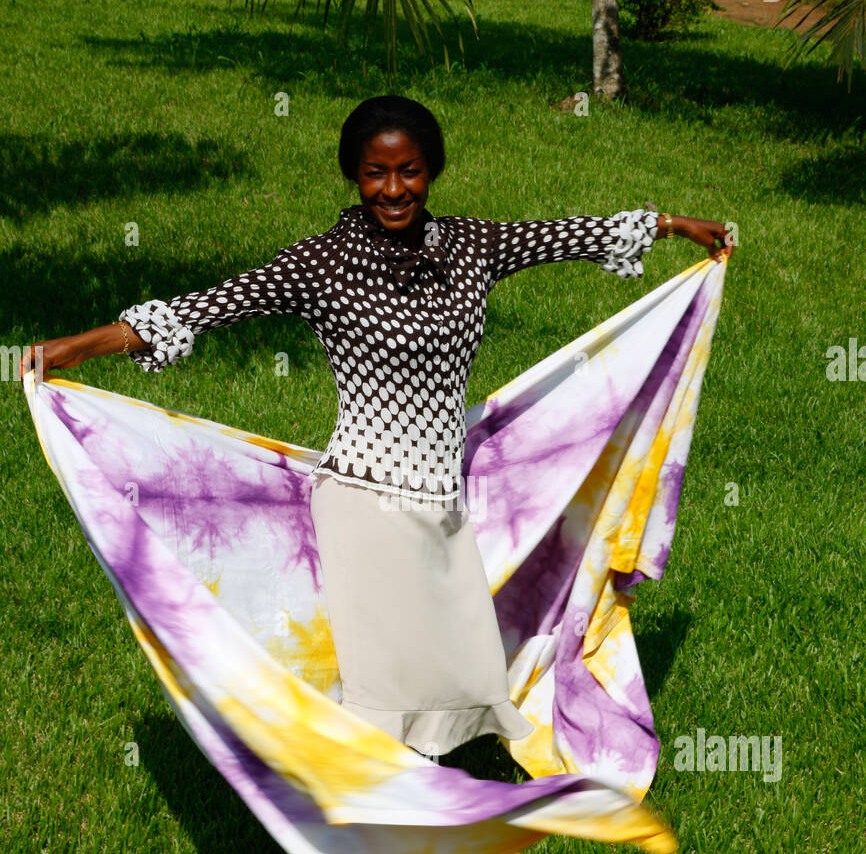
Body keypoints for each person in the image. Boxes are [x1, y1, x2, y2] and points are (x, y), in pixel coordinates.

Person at [21, 95, 732, 757]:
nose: (394, 189)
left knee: (462, 671)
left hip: (441, 500)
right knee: (385, 687)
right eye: (375, 174)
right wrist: (72, 348)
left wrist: (670, 225)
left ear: (433, 171)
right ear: (354, 177)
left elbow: (564, 236)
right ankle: (371, 807)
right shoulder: (322, 263)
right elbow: (205, 308)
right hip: (363, 500)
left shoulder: (472, 246)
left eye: (409, 171)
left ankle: (417, 785)